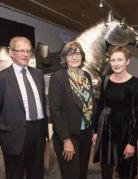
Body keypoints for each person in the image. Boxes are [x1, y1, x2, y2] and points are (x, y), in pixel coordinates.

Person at [0, 36, 48, 179]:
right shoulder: (0, 78)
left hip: (38, 131)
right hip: (14, 135)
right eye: (21, 51)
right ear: (11, 53)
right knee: (15, 174)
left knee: (37, 172)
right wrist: (0, 136)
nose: (25, 54)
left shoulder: (38, 74)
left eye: (28, 51)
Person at [92, 46, 138, 179]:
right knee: (106, 169)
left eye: (120, 59)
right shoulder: (106, 80)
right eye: (113, 60)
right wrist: (96, 131)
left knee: (125, 170)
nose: (116, 63)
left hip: (124, 132)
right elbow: (100, 106)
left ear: (127, 61)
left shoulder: (135, 83)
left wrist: (132, 143)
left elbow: (137, 116)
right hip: (106, 131)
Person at [49, 41, 96, 179]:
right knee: (71, 175)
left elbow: (90, 103)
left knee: (82, 173)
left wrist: (94, 129)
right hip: (68, 135)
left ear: (82, 56)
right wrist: (66, 140)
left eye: (77, 53)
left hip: (86, 132)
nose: (74, 57)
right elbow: (55, 110)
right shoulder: (58, 77)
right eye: (70, 54)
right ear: (65, 58)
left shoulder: (86, 76)